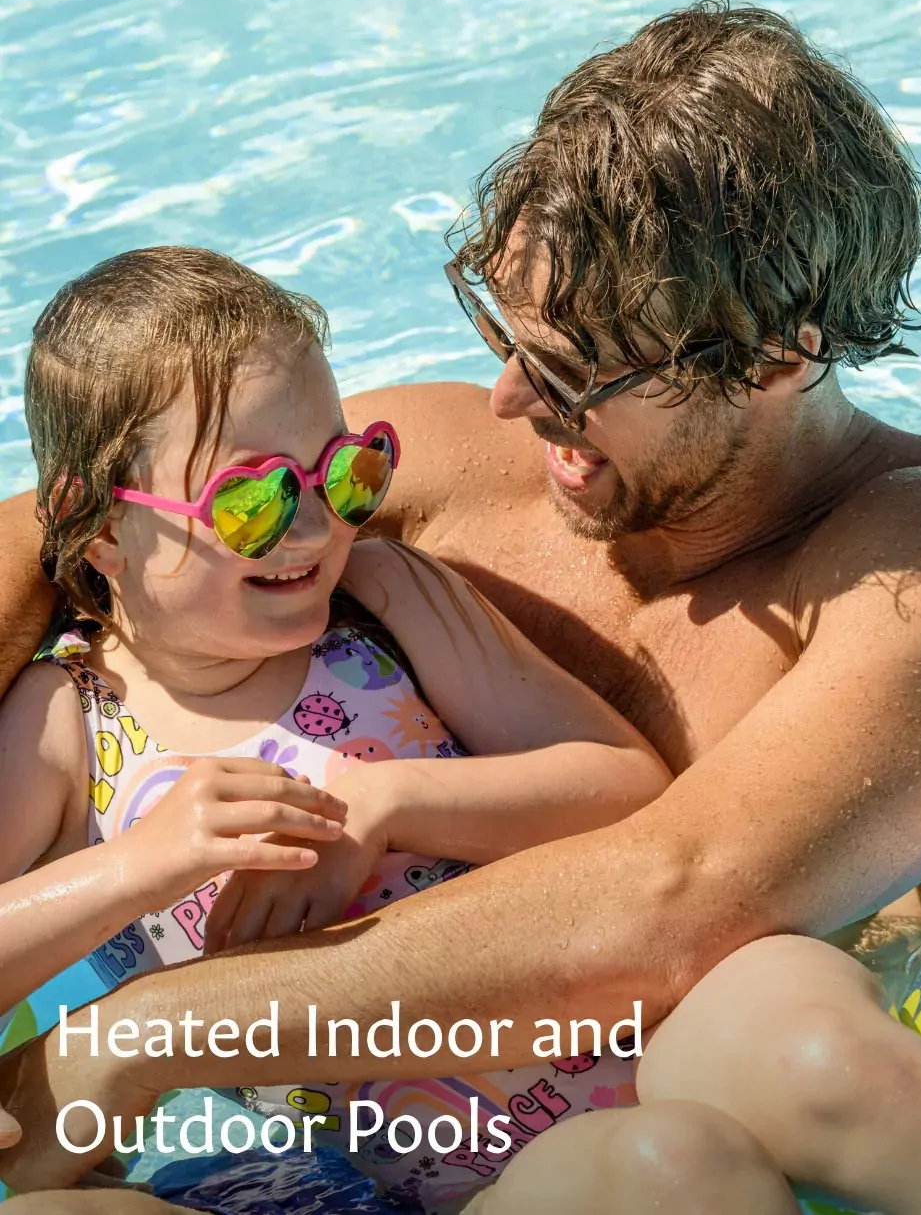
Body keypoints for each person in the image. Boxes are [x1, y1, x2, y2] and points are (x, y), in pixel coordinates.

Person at [2, 0, 921, 1215]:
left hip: (689, 1091)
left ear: (779, 358)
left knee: (796, 1061)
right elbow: (74, 524)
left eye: (574, 371)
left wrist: (137, 1031)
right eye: (504, 330)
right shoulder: (427, 462)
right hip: (344, 1147)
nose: (509, 400)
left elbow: (671, 897)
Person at [0, 243, 675, 1212]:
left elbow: (625, 789)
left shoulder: (387, 603)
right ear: (96, 521)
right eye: (253, 499)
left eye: (345, 472)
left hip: (612, 1086)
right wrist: (139, 863)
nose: (316, 528)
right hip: (339, 1181)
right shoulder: (68, 724)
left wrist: (388, 800)